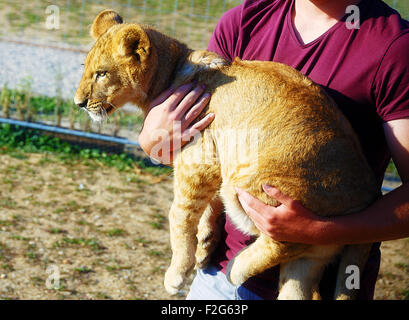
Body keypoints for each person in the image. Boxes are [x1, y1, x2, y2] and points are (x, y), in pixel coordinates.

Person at [138, 0, 409, 300]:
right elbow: (199, 146)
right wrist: (153, 141)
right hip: (221, 277)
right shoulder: (244, 21)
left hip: (330, 279)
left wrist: (321, 230)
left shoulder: (395, 48)